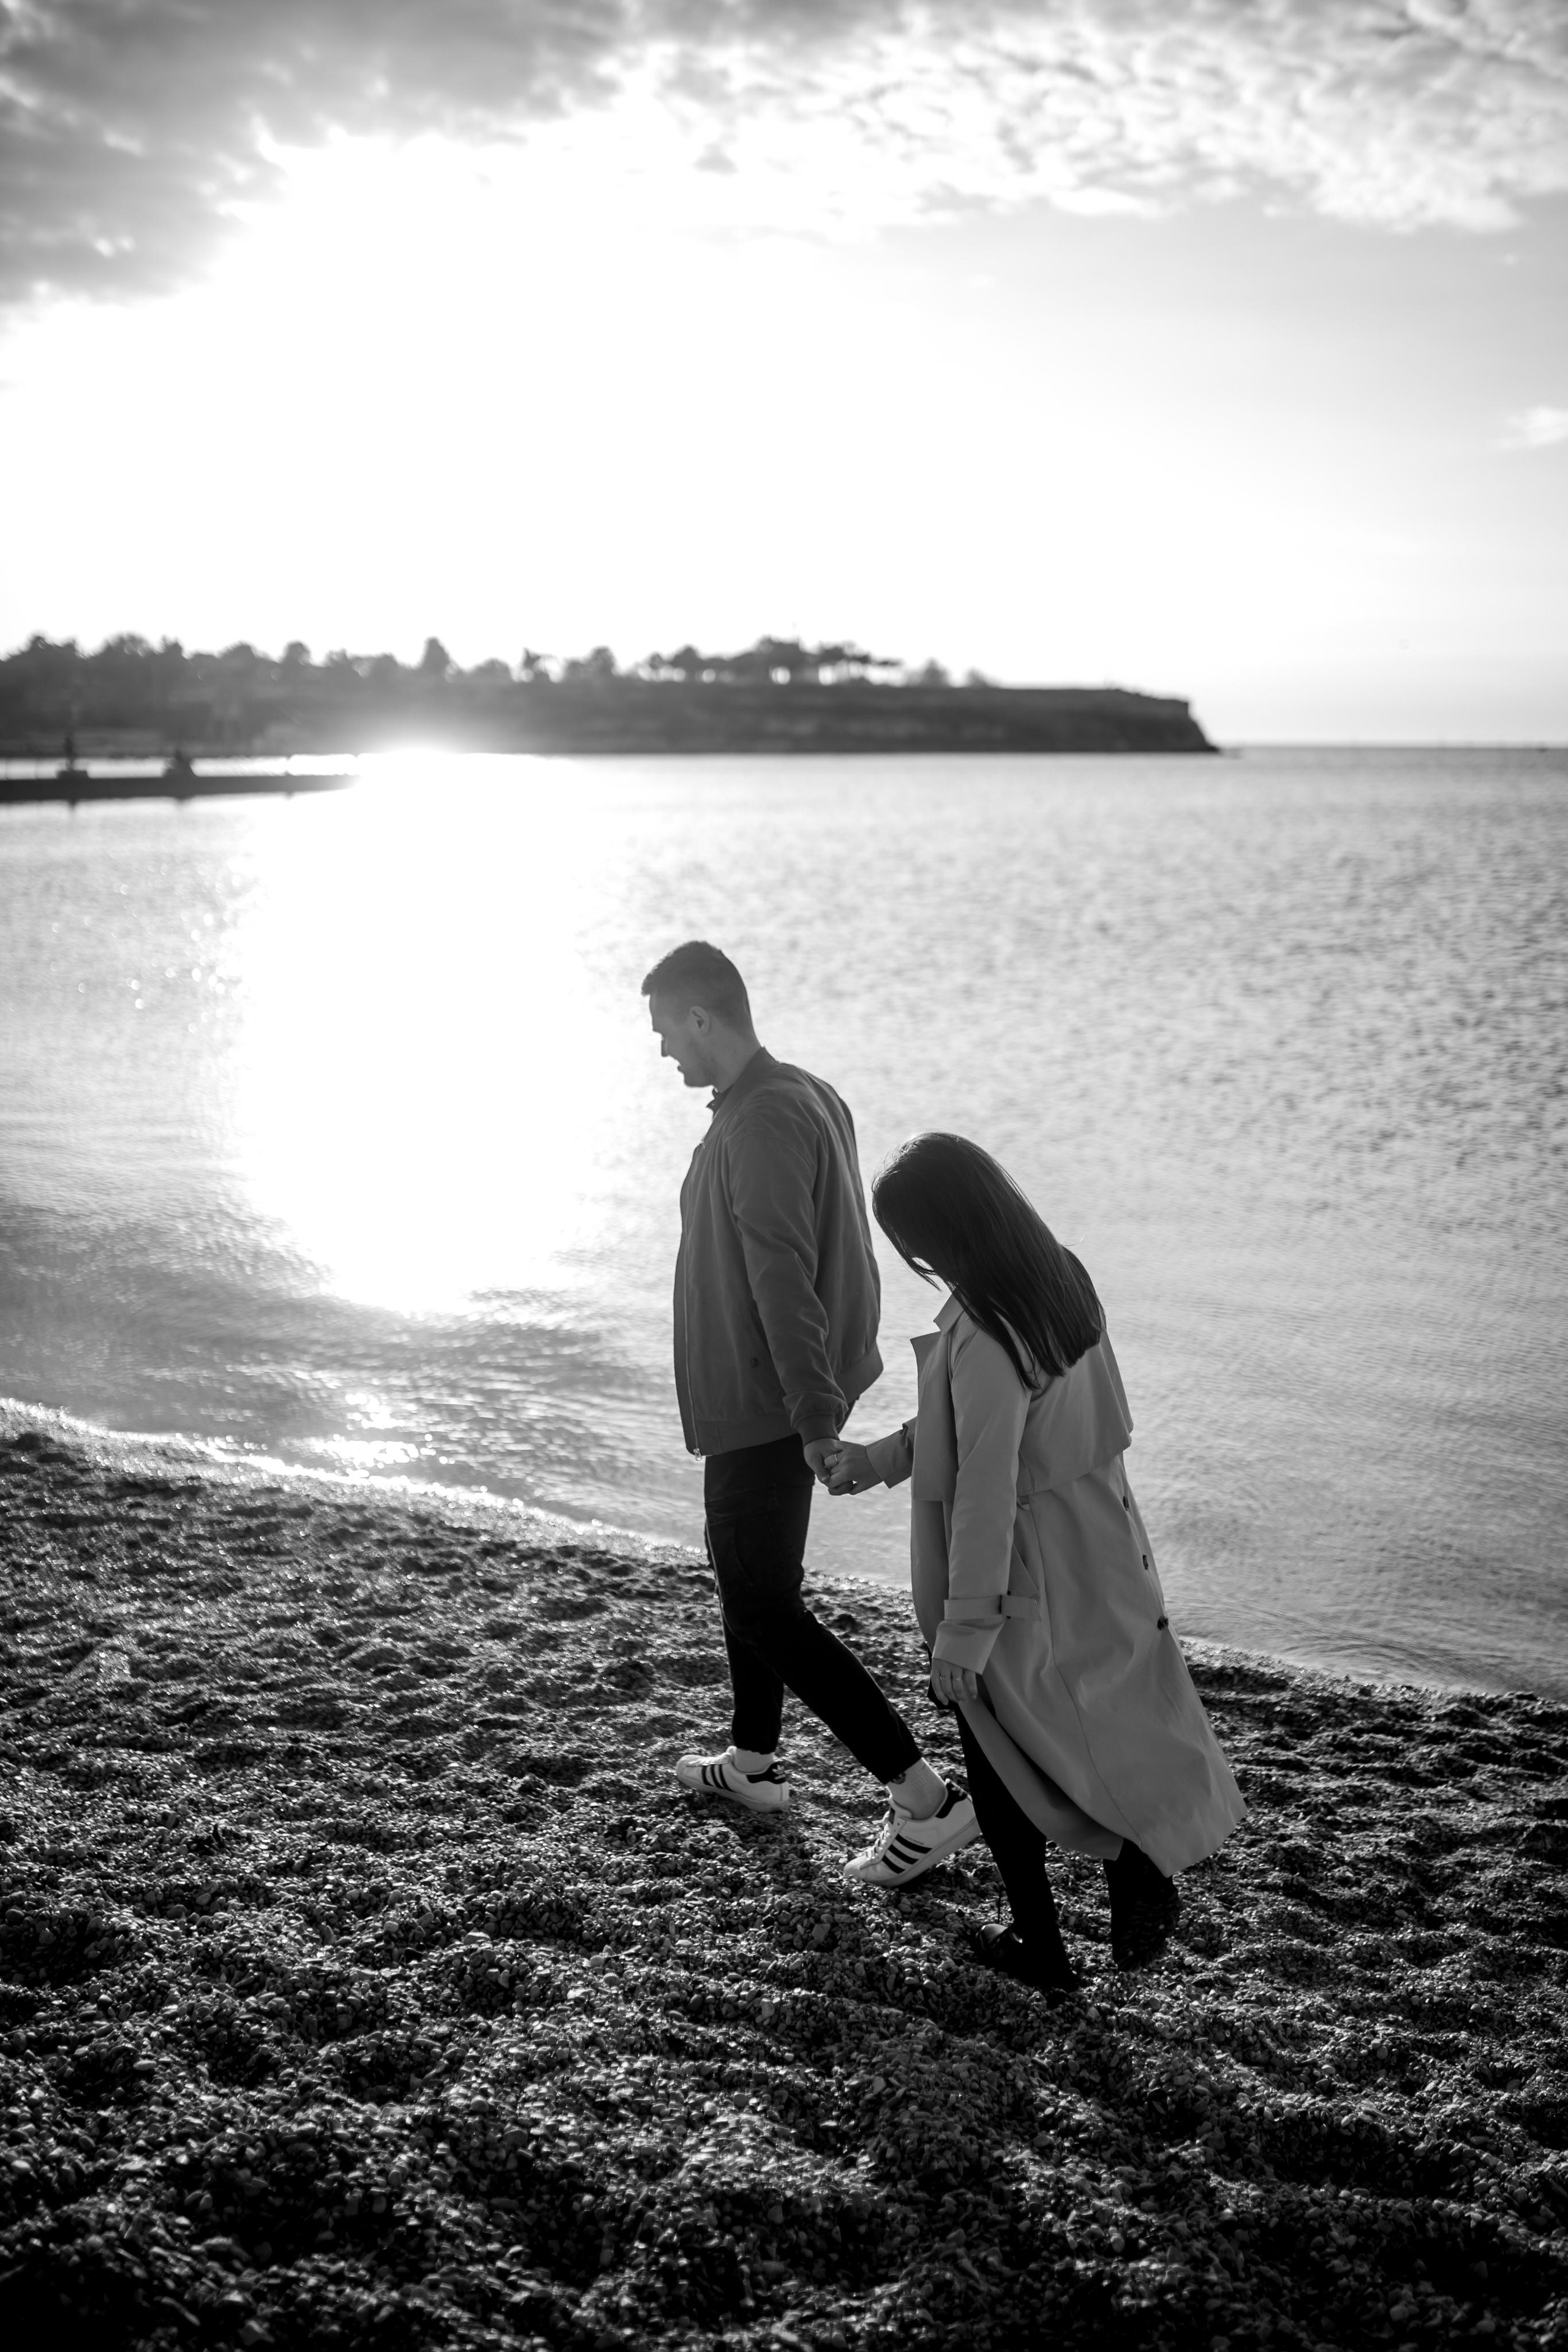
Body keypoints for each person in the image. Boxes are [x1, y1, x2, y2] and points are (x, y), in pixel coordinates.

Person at [826, 1132, 1245, 1994]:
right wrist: (881, 1459)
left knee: (998, 1749)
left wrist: (964, 1632)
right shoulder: (1058, 1277)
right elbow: (981, 1424)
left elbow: (985, 1483)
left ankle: (1095, 1901)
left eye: (915, 1245)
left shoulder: (984, 1328)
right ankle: (1092, 1901)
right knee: (1108, 1717)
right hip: (1103, 1541)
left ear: (940, 1234)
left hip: (1029, 1572)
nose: (920, 1263)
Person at [643, 941, 978, 1885]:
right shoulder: (802, 1094)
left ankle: (925, 1797)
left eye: (666, 1030)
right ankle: (754, 1761)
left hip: (769, 1400)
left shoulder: (762, 1119)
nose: (662, 1050)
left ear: (702, 1017)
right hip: (774, 1392)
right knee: (748, 1578)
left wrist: (816, 1416)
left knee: (762, 1601)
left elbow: (784, 1274)